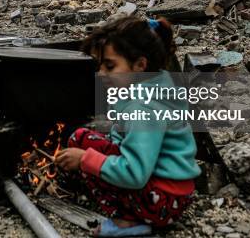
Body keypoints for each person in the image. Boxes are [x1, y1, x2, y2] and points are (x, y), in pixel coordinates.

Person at [55, 16, 200, 237]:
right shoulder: (155, 82)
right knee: (81, 138)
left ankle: (129, 221)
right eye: (100, 65)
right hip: (173, 192)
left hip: (162, 201)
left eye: (110, 66)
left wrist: (85, 160)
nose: (101, 73)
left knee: (83, 149)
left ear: (140, 65)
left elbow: (135, 174)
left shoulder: (143, 108)